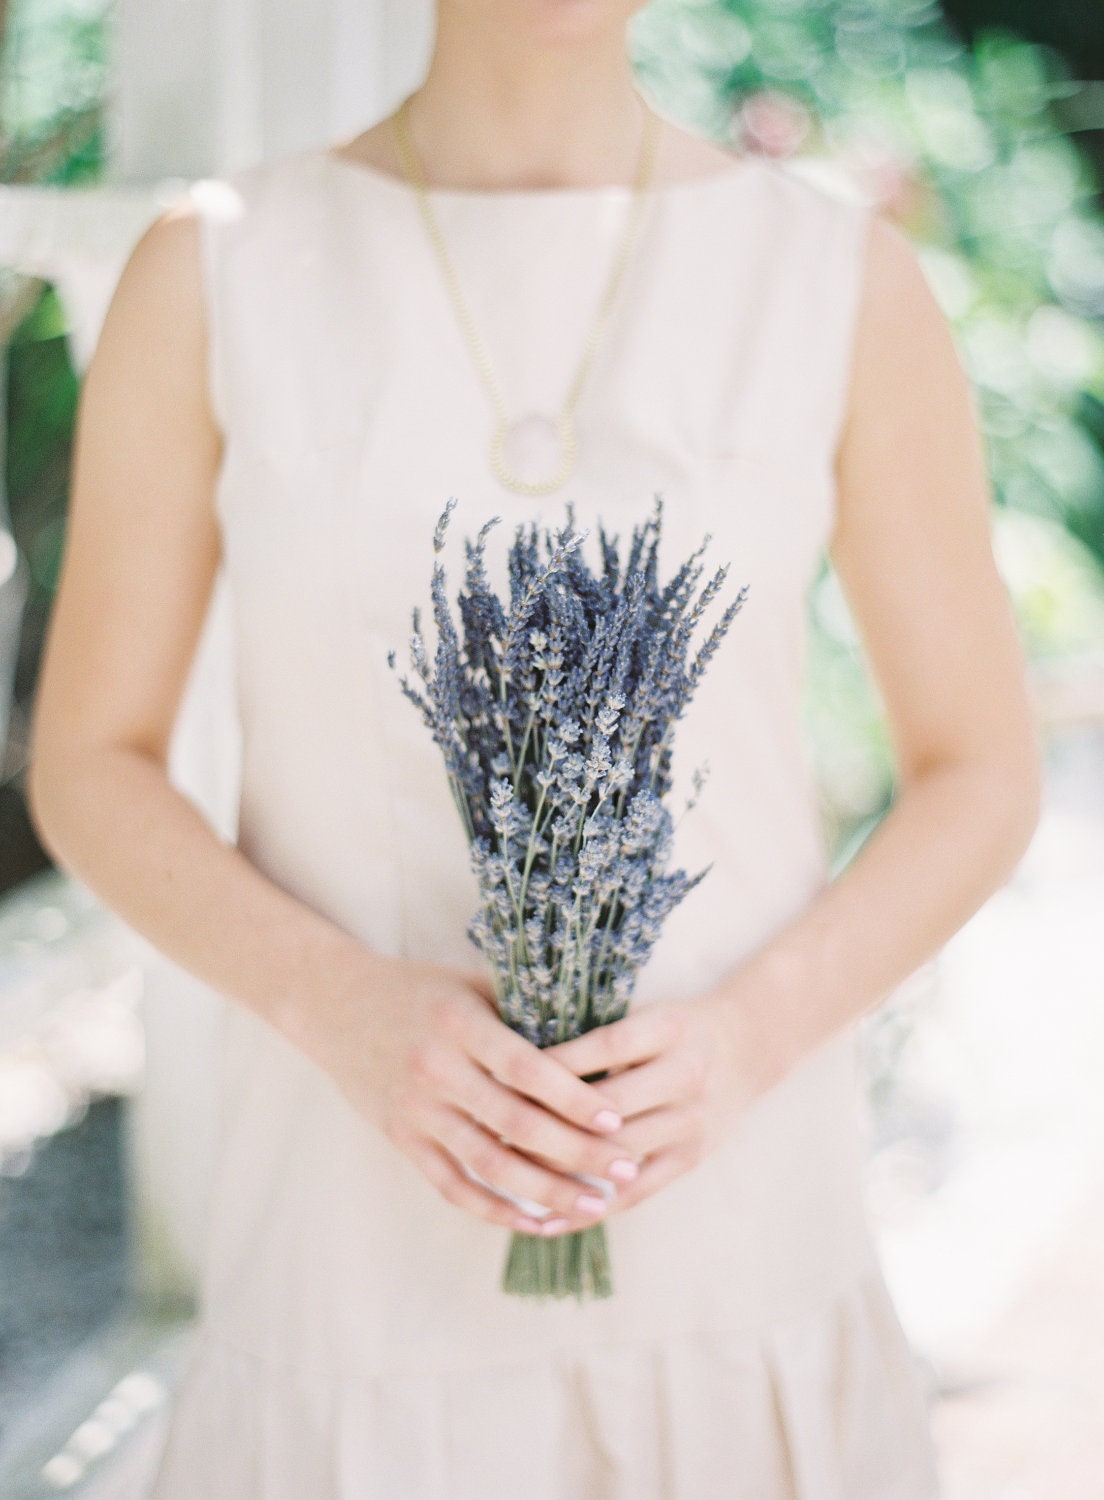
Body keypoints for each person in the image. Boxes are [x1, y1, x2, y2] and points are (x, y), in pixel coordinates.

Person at [28, 1, 1041, 1495]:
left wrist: (749, 1037)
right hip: (342, 1234)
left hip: (734, 1211)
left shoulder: (834, 280)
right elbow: (90, 761)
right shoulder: (223, 264)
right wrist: (342, 1007)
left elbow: (980, 769)